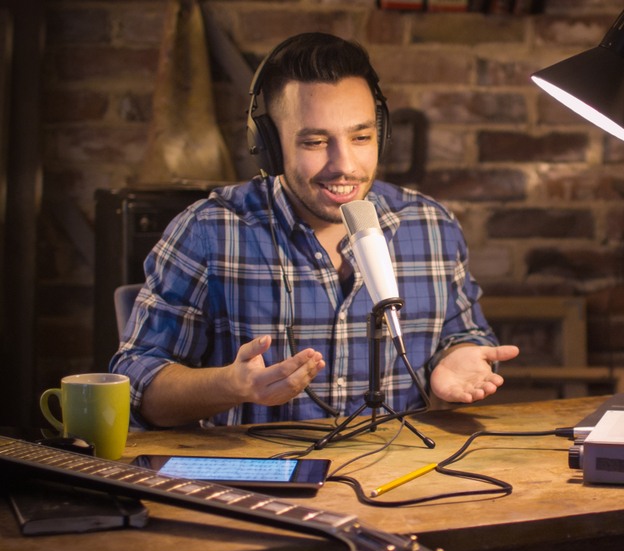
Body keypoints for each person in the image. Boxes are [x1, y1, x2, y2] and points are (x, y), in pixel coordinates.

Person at [111, 32, 518, 429]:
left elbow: (465, 336)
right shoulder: (207, 231)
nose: (344, 164)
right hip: (257, 488)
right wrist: (230, 386)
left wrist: (459, 357)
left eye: (361, 137)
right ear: (269, 147)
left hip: (395, 480)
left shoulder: (432, 227)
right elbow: (136, 386)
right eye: (315, 142)